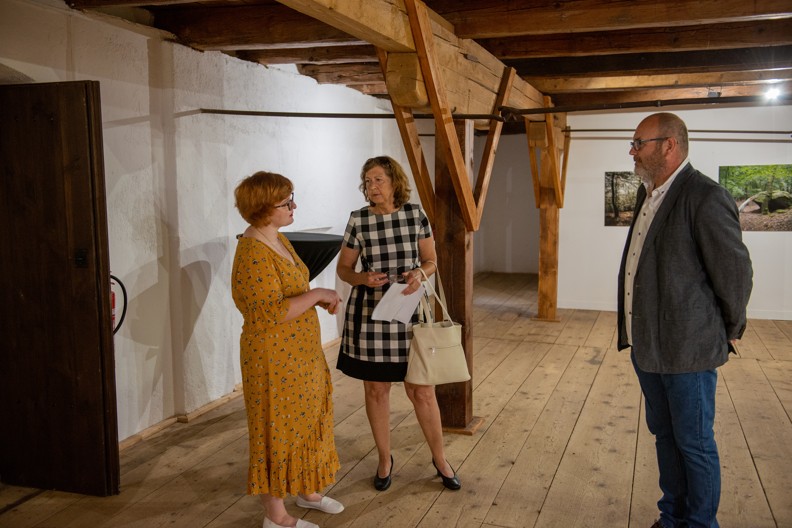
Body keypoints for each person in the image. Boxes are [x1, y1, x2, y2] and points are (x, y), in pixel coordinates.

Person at [617, 113, 753, 528]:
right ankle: (672, 517)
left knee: (694, 444)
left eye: (639, 142)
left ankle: (700, 524)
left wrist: (730, 328)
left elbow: (735, 272)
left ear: (669, 145)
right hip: (647, 345)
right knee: (665, 436)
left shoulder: (705, 196)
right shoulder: (647, 195)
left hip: (688, 348)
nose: (632, 150)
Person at [336, 155, 461, 492]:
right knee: (376, 390)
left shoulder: (415, 214)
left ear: (394, 181)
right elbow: (343, 269)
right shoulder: (358, 220)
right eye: (367, 181)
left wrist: (420, 272)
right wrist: (362, 278)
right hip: (370, 314)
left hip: (409, 311)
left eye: (378, 179)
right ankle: (384, 459)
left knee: (422, 390)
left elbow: (431, 260)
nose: (371, 186)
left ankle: (440, 459)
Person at [232, 171, 345, 528]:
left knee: (307, 419)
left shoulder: (277, 239)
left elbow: (290, 291)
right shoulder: (252, 251)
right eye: (286, 202)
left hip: (299, 351)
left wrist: (314, 299)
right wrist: (318, 294)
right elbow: (269, 313)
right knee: (276, 428)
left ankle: (306, 489)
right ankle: (276, 516)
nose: (293, 206)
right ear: (263, 208)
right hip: (272, 356)